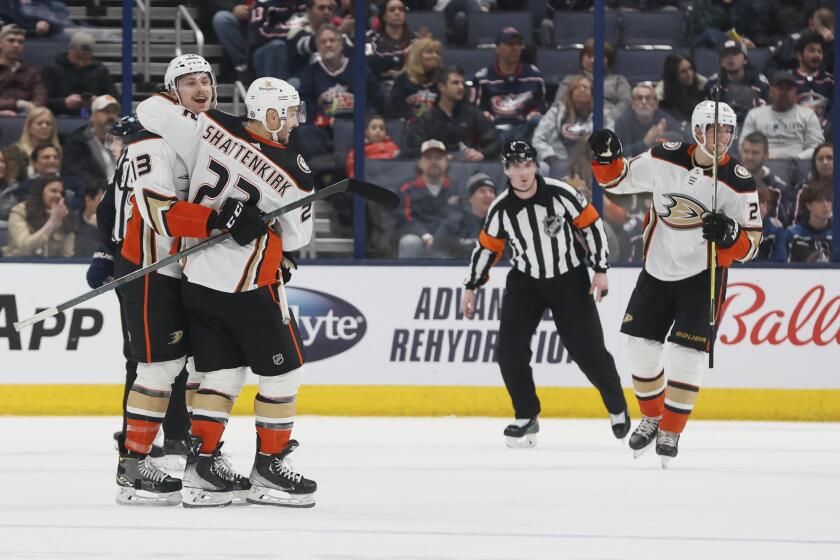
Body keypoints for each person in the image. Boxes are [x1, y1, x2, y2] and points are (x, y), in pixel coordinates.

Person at [136, 75, 317, 508]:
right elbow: (297, 241)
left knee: (222, 374)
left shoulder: (211, 124)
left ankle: (202, 467)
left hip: (197, 279)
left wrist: (218, 210)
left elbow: (148, 111)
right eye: (290, 113)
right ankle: (269, 468)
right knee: (284, 373)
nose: (294, 121)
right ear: (271, 115)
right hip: (248, 286)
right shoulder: (294, 170)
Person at [589, 99, 762, 466]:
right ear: (699, 130)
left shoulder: (739, 181)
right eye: (716, 130)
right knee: (641, 348)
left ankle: (671, 429)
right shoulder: (664, 156)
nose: (724, 138)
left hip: (703, 276)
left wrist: (731, 234)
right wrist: (605, 158)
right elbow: (618, 179)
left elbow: (751, 246)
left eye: (729, 130)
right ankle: (652, 416)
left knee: (686, 354)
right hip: (656, 271)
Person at [460, 140, 629, 448]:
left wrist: (600, 268)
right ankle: (526, 416)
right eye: (514, 166)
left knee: (589, 352)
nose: (522, 172)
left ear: (536, 166)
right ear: (506, 170)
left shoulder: (561, 193)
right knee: (509, 352)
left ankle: (617, 407)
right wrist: (471, 286)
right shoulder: (500, 209)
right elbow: (487, 248)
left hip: (569, 279)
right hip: (526, 283)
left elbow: (591, 226)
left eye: (526, 164)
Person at [407, 65, 501, 160]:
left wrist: (482, 154)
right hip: (437, 169)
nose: (461, 87)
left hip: (469, 168)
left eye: (462, 83)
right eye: (455, 83)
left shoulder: (473, 114)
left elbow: (496, 142)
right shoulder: (427, 119)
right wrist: (435, 156)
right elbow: (414, 148)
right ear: (441, 87)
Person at [473, 27, 546, 144]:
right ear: (497, 48)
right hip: (495, 129)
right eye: (509, 44)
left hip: (524, 127)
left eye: (518, 44)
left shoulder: (534, 75)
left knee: (538, 122)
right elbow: (477, 110)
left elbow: (541, 104)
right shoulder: (483, 78)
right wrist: (485, 115)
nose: (515, 48)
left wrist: (535, 112)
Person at [395, 139, 461, 258]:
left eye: (439, 158)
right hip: (419, 238)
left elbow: (458, 216)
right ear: (419, 163)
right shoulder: (407, 188)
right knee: (409, 242)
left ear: (447, 162)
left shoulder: (457, 188)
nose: (434, 161)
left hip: (446, 239)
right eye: (428, 157)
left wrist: (440, 237)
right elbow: (405, 218)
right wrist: (425, 235)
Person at [533, 75, 607, 175]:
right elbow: (538, 139)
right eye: (577, 87)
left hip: (589, 162)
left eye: (585, 87)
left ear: (592, 93)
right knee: (541, 168)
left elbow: (608, 142)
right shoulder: (556, 111)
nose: (581, 90)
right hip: (557, 160)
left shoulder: (601, 114)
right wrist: (550, 157)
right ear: (570, 93)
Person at [741, 71, 825, 159]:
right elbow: (743, 145)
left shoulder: (807, 115)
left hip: (798, 165)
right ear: (770, 91)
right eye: (780, 88)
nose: (784, 92)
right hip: (763, 163)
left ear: (795, 92)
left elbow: (817, 147)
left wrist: (797, 158)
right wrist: (762, 158)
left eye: (788, 88)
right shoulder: (755, 115)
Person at [41, 31, 121, 117]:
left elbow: (114, 100)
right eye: (78, 58)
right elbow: (43, 101)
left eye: (86, 59)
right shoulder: (52, 69)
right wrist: (64, 103)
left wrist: (98, 102)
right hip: (59, 116)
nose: (81, 63)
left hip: (95, 117)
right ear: (70, 50)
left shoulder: (100, 70)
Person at [553, 38, 631, 123]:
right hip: (575, 122)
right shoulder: (569, 80)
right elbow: (559, 104)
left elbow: (626, 103)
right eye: (589, 56)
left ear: (608, 60)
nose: (593, 60)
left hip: (610, 122)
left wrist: (610, 115)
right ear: (581, 59)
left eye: (598, 56)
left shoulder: (619, 80)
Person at [3, 175, 74, 257]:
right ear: (40, 192)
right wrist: (52, 221)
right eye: (53, 191)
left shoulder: (64, 214)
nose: (59, 196)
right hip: (20, 264)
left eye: (61, 193)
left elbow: (68, 255)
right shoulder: (19, 211)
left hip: (53, 267)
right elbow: (24, 248)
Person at [61, 95, 121, 190]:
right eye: (106, 111)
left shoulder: (125, 142)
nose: (111, 116)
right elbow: (77, 174)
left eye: (114, 112)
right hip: (95, 195)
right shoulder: (77, 143)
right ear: (92, 116)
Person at [703, 39, 769, 125]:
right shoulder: (712, 84)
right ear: (721, 63)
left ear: (745, 60)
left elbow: (765, 114)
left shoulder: (760, 83)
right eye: (725, 55)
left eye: (735, 53)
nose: (730, 57)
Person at [433, 172, 496, 258]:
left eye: (491, 191)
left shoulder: (504, 224)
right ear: (471, 198)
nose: (488, 195)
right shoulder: (454, 223)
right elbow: (437, 248)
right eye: (482, 191)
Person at [614, 81, 685, 158]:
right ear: (632, 103)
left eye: (648, 98)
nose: (644, 102)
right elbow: (618, 153)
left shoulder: (664, 119)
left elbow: (681, 141)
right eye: (639, 98)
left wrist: (663, 136)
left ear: (656, 103)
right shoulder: (622, 122)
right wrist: (645, 142)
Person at [738, 131, 794, 225]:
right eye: (746, 151)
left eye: (755, 153)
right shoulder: (727, 180)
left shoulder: (779, 188)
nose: (749, 157)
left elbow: (782, 225)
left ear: (766, 155)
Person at [386, 36, 442, 121]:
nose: (435, 56)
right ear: (418, 55)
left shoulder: (442, 79)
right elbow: (393, 111)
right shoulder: (403, 79)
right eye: (429, 52)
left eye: (437, 53)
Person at [2, 106, 60, 183]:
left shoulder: (59, 151)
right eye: (39, 123)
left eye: (48, 124)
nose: (44, 126)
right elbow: (12, 180)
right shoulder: (15, 151)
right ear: (29, 127)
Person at [0, 24, 46, 116]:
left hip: (27, 117)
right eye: (11, 40)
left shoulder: (30, 70)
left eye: (20, 42)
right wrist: (16, 104)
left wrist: (35, 107)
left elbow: (41, 94)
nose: (16, 45)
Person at [791, 31, 834, 128]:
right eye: (812, 51)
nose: (817, 55)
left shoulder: (830, 81)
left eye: (820, 51)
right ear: (799, 56)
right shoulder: (788, 81)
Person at [367, 0, 414, 84]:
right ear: (384, 16)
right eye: (392, 10)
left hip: (409, 85)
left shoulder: (414, 39)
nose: (397, 12)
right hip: (380, 84)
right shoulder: (369, 38)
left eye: (401, 9)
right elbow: (371, 60)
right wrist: (403, 54)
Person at [656, 53, 708, 126]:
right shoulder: (662, 92)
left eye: (690, 69)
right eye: (683, 71)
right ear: (673, 75)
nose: (689, 74)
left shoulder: (702, 84)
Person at [786, 181, 833, 262]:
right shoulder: (792, 234)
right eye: (820, 201)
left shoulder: (836, 233)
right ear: (808, 205)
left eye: (828, 201)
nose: (826, 205)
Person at [792, 141, 832, 223]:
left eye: (830, 158)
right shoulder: (804, 188)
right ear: (814, 163)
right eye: (820, 159)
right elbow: (795, 220)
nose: (825, 162)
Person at [755, 185, 787, 262]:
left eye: (766, 203)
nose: (763, 206)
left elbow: (780, 259)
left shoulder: (776, 229)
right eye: (759, 202)